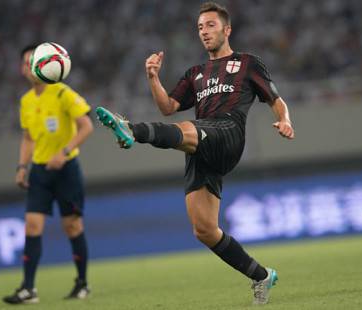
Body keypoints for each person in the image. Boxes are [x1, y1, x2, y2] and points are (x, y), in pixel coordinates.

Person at [95, 2, 294, 306]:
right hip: (201, 146)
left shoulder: (247, 63)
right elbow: (168, 107)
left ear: (227, 29)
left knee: (187, 128)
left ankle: (130, 129)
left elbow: (276, 100)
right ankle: (261, 276)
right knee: (204, 229)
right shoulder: (195, 73)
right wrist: (152, 78)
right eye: (200, 27)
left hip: (227, 133)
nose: (204, 31)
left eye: (211, 25)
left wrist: (285, 119)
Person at [3, 44, 94, 304]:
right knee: (32, 226)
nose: (27, 67)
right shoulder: (26, 101)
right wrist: (22, 167)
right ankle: (28, 288)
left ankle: (82, 283)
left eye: (31, 61)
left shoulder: (62, 92)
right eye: (24, 63)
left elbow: (87, 126)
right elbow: (28, 138)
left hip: (67, 170)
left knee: (72, 226)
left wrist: (64, 152)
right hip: (40, 172)